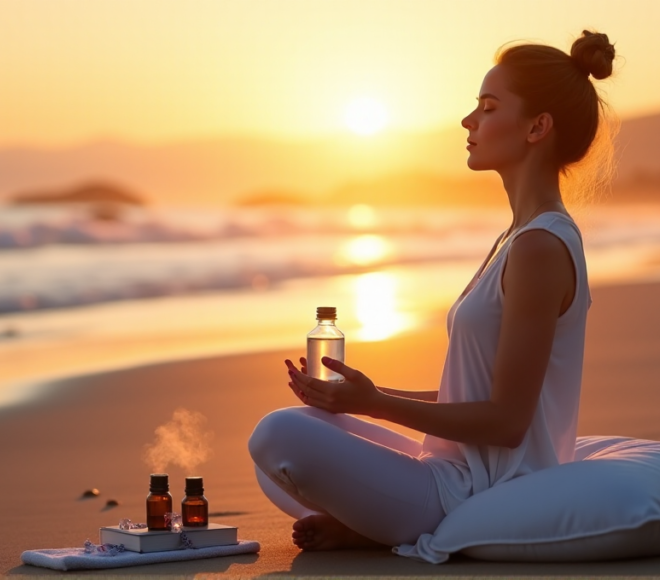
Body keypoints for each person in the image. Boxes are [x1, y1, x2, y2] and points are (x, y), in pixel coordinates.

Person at [248, 30, 617, 552]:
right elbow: (475, 394)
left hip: (479, 490)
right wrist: (361, 397)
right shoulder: (517, 237)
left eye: (488, 108)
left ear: (537, 126)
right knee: (295, 435)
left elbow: (508, 422)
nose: (469, 122)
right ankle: (370, 521)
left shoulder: (539, 248)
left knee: (277, 437)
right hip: (449, 469)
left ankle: (379, 525)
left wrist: (375, 404)